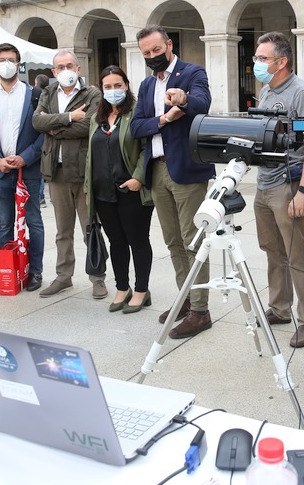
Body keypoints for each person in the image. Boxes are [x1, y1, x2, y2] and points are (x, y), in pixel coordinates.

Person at [130, 25, 215, 339]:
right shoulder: (145, 85)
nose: (152, 57)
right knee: (173, 242)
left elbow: (202, 103)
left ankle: (201, 311)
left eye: (156, 50)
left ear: (169, 44)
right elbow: (137, 127)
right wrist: (164, 119)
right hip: (157, 171)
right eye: (146, 54)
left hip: (187, 172)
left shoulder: (192, 73)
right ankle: (187, 299)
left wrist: (184, 98)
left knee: (194, 243)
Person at [250, 31, 304, 348]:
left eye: (262, 58)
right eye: (257, 58)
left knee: (298, 255)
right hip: (264, 183)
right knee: (273, 251)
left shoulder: (302, 92)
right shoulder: (266, 91)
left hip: (288, 184)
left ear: (282, 61)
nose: (257, 63)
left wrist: (303, 191)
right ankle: (279, 308)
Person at [32, 50, 108, 298]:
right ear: (54, 73)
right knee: (63, 231)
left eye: (70, 65)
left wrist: (54, 127)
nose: (65, 70)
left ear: (78, 69)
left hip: (84, 172)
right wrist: (68, 117)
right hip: (56, 172)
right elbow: (36, 122)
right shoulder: (48, 92)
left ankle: (97, 278)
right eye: (60, 67)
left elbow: (90, 125)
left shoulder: (93, 94)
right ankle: (64, 277)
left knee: (90, 229)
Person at [0, 43, 45, 293]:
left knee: (33, 221)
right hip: (1, 171)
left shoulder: (35, 94)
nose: (7, 63)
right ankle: (7, 272)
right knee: (5, 223)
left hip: (29, 170)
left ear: (19, 64)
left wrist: (26, 157)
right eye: (2, 59)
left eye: (12, 59)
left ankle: (35, 271)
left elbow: (43, 133)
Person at [86, 66, 154, 313]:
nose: (113, 91)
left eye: (118, 85)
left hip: (131, 190)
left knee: (137, 240)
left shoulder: (137, 113)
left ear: (126, 86)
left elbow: (148, 147)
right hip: (103, 192)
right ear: (101, 90)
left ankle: (142, 290)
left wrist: (138, 178)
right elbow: (90, 154)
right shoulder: (97, 118)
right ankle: (122, 287)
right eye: (107, 87)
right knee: (116, 242)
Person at [33, 74, 50, 208]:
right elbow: (37, 121)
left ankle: (40, 196)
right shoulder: (46, 95)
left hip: (41, 140)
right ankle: (41, 197)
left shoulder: (43, 95)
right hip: (43, 137)